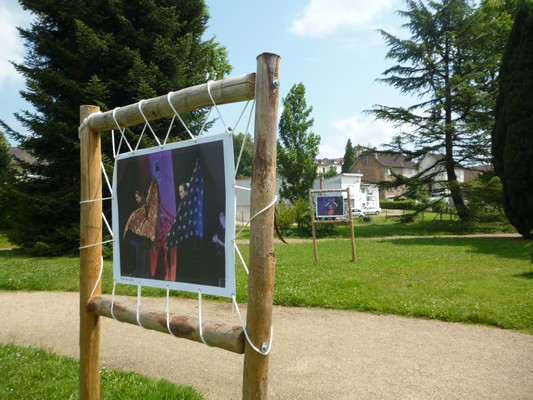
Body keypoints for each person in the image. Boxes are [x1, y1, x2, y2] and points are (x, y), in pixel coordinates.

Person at [123, 180, 160, 278]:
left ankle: (141, 274)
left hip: (144, 234)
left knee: (142, 254)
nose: (136, 199)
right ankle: (142, 273)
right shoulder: (141, 205)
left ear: (141, 196)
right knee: (141, 253)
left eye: (137, 197)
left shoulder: (145, 205)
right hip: (140, 235)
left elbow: (144, 215)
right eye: (136, 198)